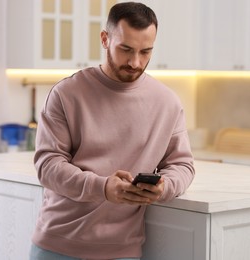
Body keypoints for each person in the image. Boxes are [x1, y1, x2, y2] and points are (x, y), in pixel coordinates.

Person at [29, 2, 195, 260]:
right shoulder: (66, 94)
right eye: (125, 49)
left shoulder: (167, 102)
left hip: (122, 250)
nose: (135, 61)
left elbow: (182, 165)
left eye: (145, 51)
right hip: (57, 246)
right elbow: (48, 165)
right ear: (105, 39)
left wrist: (164, 187)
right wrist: (102, 187)